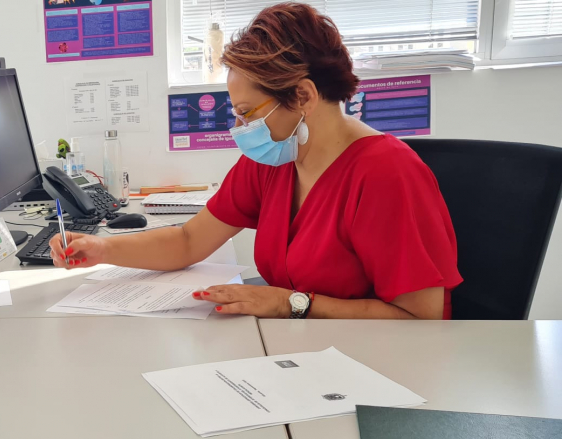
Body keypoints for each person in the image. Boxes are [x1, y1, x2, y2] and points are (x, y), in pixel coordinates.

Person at [50, 3, 462, 320]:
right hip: (295, 353)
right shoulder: (275, 159)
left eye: (247, 112)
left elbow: (420, 319)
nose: (240, 126)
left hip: (373, 368)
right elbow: (189, 241)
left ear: (302, 96)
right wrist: (102, 248)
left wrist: (293, 303)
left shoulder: (387, 175)